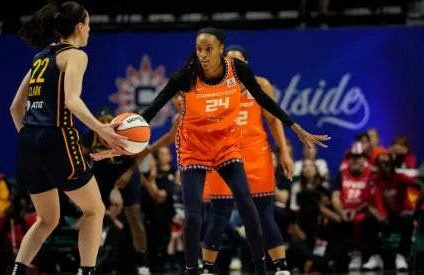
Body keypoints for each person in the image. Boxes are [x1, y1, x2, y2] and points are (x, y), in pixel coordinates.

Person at [95, 27, 329, 275]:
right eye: (199, 49)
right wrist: (124, 145)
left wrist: (293, 131)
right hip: (196, 149)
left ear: (222, 52)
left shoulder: (244, 77)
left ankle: (273, 268)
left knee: (255, 210)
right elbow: (152, 111)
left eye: (209, 49)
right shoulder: (187, 77)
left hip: (236, 149)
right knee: (205, 216)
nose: (204, 54)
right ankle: (199, 269)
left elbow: (267, 107)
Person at [9, 2, 127, 275]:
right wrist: (101, 128)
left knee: (46, 219)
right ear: (79, 27)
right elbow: (72, 100)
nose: (90, 32)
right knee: (95, 210)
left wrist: (33, 143)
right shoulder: (74, 55)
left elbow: (16, 107)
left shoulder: (40, 57)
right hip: (56, 135)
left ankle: (17, 271)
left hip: (26, 142)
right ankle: (87, 272)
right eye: (89, 26)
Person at [200, 45, 294, 275]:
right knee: (218, 217)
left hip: (255, 155)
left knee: (264, 215)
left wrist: (284, 151)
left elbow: (273, 121)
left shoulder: (261, 85)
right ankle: (207, 269)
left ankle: (281, 268)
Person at [81, 106, 151, 275]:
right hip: (103, 175)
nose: (105, 123)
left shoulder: (125, 132)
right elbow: (83, 155)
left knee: (134, 216)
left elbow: (142, 153)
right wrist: (87, 177)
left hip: (126, 173)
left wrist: (128, 174)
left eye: (108, 120)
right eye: (102, 121)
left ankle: (143, 262)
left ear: (115, 121)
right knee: (91, 215)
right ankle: (85, 264)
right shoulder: (91, 135)